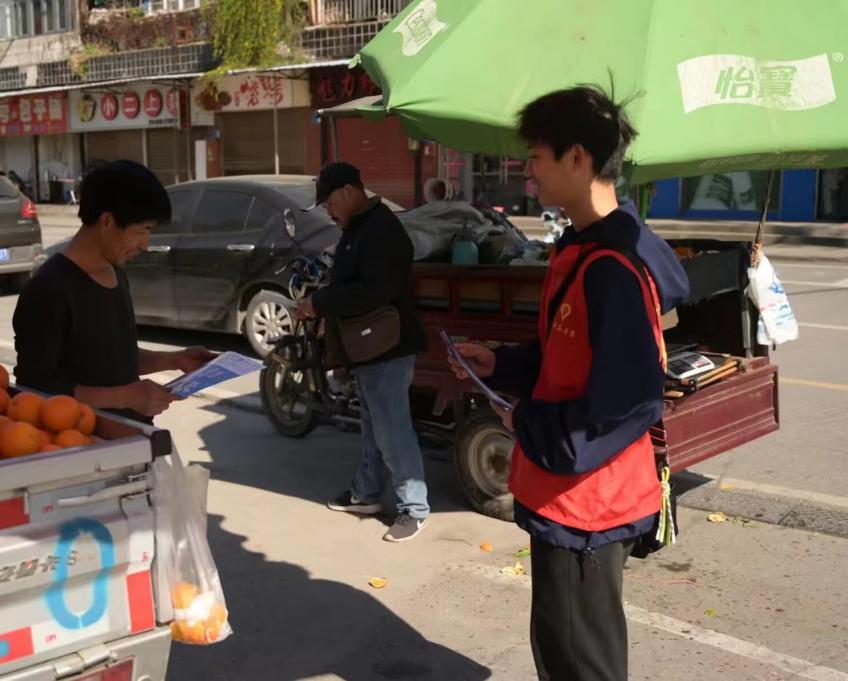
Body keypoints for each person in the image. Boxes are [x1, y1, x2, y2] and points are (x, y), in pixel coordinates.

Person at [450, 86, 690, 680]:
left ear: (577, 157)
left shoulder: (612, 268)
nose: (529, 173)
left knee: (580, 662)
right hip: (566, 495)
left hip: (587, 506)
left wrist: (526, 421)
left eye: (536, 157)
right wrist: (501, 365)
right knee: (562, 650)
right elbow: (568, 354)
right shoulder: (584, 250)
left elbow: (629, 404)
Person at [13, 160, 214, 422]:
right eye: (142, 231)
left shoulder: (115, 274)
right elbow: (34, 387)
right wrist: (126, 397)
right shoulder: (47, 290)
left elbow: (115, 360)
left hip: (132, 434)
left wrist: (174, 360)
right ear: (107, 221)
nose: (145, 244)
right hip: (83, 439)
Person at [294, 162, 430, 542]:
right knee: (374, 426)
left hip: (388, 346)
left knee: (392, 431)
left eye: (330, 204)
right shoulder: (358, 228)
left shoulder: (381, 229)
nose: (329, 212)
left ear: (350, 192)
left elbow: (375, 291)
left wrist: (320, 303)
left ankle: (414, 509)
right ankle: (366, 492)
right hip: (368, 346)